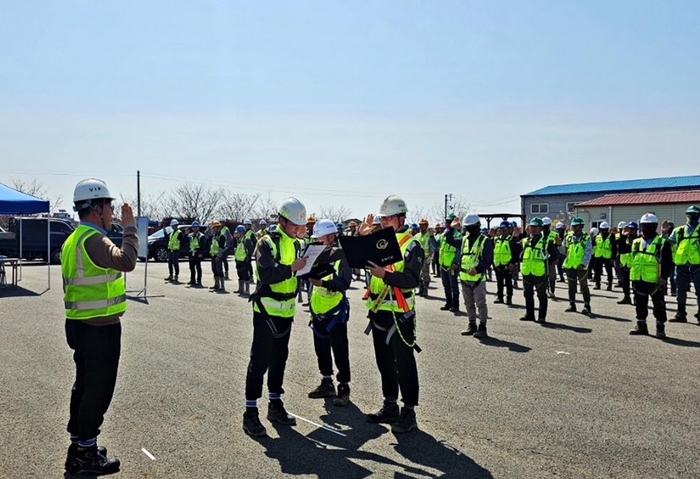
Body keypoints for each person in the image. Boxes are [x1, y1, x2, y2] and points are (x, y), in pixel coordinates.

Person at [61, 178, 138, 476]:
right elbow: (127, 261)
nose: (113, 212)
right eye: (109, 206)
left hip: (82, 324)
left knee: (84, 385)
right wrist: (130, 228)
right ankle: (85, 454)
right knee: (97, 390)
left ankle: (80, 444)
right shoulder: (93, 238)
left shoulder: (75, 237)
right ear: (96, 208)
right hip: (98, 328)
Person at [243, 198, 309, 437]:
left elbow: (301, 268)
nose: (298, 229)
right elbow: (266, 273)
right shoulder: (266, 242)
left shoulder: (299, 243)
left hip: (287, 312)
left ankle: (275, 404)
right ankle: (250, 413)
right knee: (259, 362)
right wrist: (293, 267)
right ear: (281, 220)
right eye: (294, 225)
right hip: (266, 313)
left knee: (279, 360)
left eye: (300, 226)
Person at [359, 195, 422, 433]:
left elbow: (412, 279)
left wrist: (385, 276)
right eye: (382, 219)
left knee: (404, 362)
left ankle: (409, 411)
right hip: (378, 310)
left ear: (401, 218)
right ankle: (390, 405)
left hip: (400, 312)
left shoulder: (411, 244)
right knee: (383, 361)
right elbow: (357, 257)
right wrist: (362, 237)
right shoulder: (379, 240)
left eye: (388, 219)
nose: (384, 223)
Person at [306, 219, 352, 406]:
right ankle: (326, 383)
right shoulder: (315, 255)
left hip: (335, 314)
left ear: (331, 237)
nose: (317, 241)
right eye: (315, 239)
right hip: (317, 313)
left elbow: (344, 283)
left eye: (320, 238)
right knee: (321, 351)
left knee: (340, 351)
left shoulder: (342, 256)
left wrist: (323, 283)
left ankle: (343, 387)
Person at [445, 214, 493, 338]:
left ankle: (482, 327)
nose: (469, 230)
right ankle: (472, 325)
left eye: (471, 227)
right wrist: (451, 227)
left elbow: (488, 260)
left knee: (480, 304)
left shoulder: (485, 240)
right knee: (468, 304)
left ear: (477, 226)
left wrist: (477, 269)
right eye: (468, 227)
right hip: (465, 278)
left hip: (478, 278)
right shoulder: (463, 239)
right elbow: (448, 239)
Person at [629, 213, 673, 338]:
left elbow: (667, 262)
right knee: (639, 304)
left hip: (655, 280)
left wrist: (664, 277)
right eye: (645, 226)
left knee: (659, 305)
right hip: (638, 278)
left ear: (655, 227)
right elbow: (633, 258)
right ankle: (641, 326)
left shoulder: (662, 242)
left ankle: (660, 328)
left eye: (650, 226)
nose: (647, 229)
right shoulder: (636, 242)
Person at [519, 217, 558, 323]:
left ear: (541, 228)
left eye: (535, 227)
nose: (533, 229)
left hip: (540, 273)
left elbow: (555, 257)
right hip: (527, 272)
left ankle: (541, 316)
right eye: (532, 226)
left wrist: (545, 264)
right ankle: (529, 314)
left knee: (541, 295)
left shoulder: (546, 241)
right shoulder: (526, 241)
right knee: (527, 294)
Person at [668, 205, 700, 323]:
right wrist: (664, 233)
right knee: (680, 290)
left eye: (695, 215)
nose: (693, 217)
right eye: (690, 215)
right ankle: (680, 313)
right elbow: (668, 244)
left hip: (698, 265)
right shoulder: (678, 230)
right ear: (687, 216)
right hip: (681, 265)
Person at [563, 217, 593, 315]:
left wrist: (583, 263)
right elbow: (564, 250)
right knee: (571, 286)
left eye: (576, 226)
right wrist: (559, 245)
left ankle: (587, 305)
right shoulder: (568, 236)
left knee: (583, 286)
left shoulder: (586, 237)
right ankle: (572, 304)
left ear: (581, 226)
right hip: (570, 265)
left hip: (581, 267)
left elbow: (588, 252)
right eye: (573, 226)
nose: (574, 228)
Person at [439, 214, 461, 313]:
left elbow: (459, 250)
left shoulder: (457, 235)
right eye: (446, 221)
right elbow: (437, 245)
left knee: (454, 286)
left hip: (452, 265)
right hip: (443, 264)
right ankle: (448, 303)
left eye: (449, 221)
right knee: (446, 285)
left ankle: (455, 305)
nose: (447, 223)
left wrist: (456, 262)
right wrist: (431, 236)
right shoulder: (444, 234)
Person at [493, 221, 519, 305]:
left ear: (509, 230)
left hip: (507, 264)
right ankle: (500, 297)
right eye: (501, 228)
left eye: (505, 229)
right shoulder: (496, 239)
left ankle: (509, 298)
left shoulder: (511, 239)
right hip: (497, 264)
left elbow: (516, 252)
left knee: (508, 282)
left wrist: (512, 263)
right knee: (499, 282)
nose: (503, 230)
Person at [616, 222, 638, 305]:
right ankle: (626, 297)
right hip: (625, 264)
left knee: (635, 284)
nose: (630, 231)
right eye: (629, 229)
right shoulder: (625, 238)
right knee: (625, 283)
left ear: (636, 230)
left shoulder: (638, 239)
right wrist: (623, 236)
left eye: (632, 229)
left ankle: (636, 298)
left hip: (635, 265)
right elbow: (621, 249)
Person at [593, 221, 617, 291]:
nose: (604, 231)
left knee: (609, 271)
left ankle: (609, 284)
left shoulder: (611, 236)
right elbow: (594, 246)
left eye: (605, 230)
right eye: (602, 229)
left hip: (607, 257)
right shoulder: (597, 237)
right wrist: (593, 256)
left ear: (607, 229)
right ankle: (597, 284)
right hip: (598, 256)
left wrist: (613, 257)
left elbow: (614, 248)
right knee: (597, 271)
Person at [233, 225, 255, 296]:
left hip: (244, 261)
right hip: (238, 260)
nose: (236, 234)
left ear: (241, 233)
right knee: (240, 275)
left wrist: (248, 258)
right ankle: (241, 289)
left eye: (238, 232)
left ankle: (247, 290)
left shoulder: (247, 240)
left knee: (246, 275)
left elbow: (251, 250)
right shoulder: (238, 240)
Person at [413, 218, 432, 297]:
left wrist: (430, 257)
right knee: (419, 274)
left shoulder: (429, 235)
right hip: (418, 258)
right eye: (420, 225)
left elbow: (432, 247)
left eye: (423, 225)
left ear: (426, 226)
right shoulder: (417, 235)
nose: (421, 226)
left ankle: (425, 290)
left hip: (426, 257)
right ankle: (420, 290)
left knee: (425, 274)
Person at [208, 220, 228, 293]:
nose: (214, 229)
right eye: (213, 228)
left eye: (215, 228)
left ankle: (222, 286)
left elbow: (221, 247)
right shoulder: (214, 235)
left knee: (219, 270)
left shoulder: (221, 236)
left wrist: (218, 256)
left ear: (218, 228)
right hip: (213, 255)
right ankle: (216, 284)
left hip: (218, 256)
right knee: (214, 270)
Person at [187, 221, 205, 287]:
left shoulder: (201, 236)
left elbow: (203, 246)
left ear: (198, 228)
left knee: (198, 267)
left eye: (196, 227)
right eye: (194, 227)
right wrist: (186, 235)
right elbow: (185, 242)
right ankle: (192, 280)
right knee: (191, 267)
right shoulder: (190, 235)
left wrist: (201, 253)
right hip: (191, 253)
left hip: (198, 253)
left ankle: (199, 280)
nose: (195, 229)